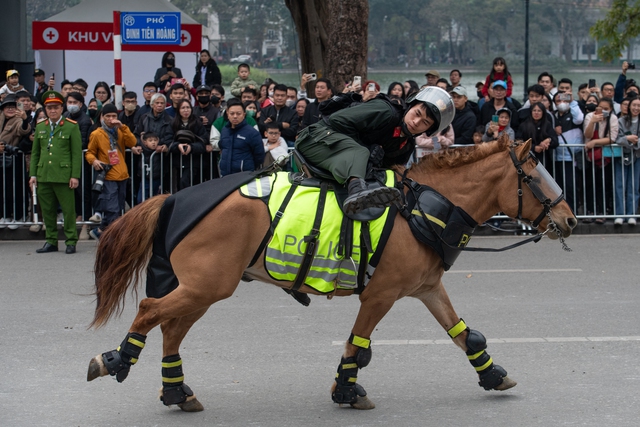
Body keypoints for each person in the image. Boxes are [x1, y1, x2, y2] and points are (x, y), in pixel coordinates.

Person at [295, 86, 455, 214]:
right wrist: (366, 149)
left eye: (425, 122)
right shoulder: (385, 111)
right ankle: (357, 193)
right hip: (315, 138)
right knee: (362, 153)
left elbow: (392, 171)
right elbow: (337, 120)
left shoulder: (407, 145)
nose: (416, 121)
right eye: (417, 113)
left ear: (427, 129)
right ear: (411, 105)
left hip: (340, 156)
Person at [29, 91, 82, 254]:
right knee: (48, 210)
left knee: (68, 210)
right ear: (45, 109)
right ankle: (51, 240)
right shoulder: (40, 126)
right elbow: (35, 152)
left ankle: (71, 240)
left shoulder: (71, 126)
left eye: (56, 107)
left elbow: (76, 153)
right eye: (49, 108)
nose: (53, 111)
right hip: (44, 174)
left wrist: (74, 175)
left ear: (61, 108)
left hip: (63, 175)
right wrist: (33, 174)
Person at [85, 103, 138, 240]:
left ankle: (100, 230)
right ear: (102, 117)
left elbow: (132, 142)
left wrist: (123, 127)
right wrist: (94, 161)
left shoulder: (120, 131)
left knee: (118, 208)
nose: (111, 119)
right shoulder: (96, 134)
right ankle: (113, 239)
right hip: (108, 175)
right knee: (112, 209)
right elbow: (89, 153)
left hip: (122, 174)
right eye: (107, 116)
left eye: (113, 116)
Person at [582, 97, 619, 224]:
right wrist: (593, 121)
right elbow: (587, 135)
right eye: (600, 108)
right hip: (590, 156)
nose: (603, 111)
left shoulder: (613, 118)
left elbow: (612, 138)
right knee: (589, 184)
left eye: (606, 109)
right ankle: (590, 211)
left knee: (603, 185)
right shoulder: (589, 116)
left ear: (611, 109)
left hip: (606, 157)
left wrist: (595, 142)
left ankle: (602, 212)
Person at [0, 94, 31, 228]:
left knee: (16, 189)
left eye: (13, 106)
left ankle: (19, 216)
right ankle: (4, 215)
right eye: (8, 106)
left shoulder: (18, 119)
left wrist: (25, 119)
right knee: (2, 189)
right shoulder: (0, 118)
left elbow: (23, 130)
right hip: (1, 159)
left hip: (14, 159)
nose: (10, 109)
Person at [553, 91, 584, 213]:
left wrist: (572, 102)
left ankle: (573, 212)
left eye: (564, 100)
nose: (561, 103)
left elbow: (580, 119)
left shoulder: (573, 113)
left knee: (571, 187)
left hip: (571, 158)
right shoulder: (553, 116)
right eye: (558, 101)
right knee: (558, 188)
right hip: (556, 158)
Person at [218, 98, 264, 176]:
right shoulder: (225, 130)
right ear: (227, 114)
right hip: (225, 175)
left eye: (238, 113)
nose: (235, 116)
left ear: (244, 114)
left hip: (244, 176)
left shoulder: (252, 133)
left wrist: (247, 167)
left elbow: (259, 156)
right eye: (232, 113)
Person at [169, 99, 208, 190]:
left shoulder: (198, 123)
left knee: (186, 183)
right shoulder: (172, 123)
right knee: (177, 187)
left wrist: (192, 147)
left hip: (193, 162)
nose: (186, 110)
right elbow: (167, 141)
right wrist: (178, 146)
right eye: (183, 108)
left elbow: (204, 141)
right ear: (178, 110)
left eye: (188, 107)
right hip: (177, 162)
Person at [613, 97, 640, 225]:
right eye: (634, 105)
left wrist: (633, 142)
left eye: (638, 106)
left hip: (637, 157)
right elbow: (617, 139)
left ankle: (632, 215)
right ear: (629, 106)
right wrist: (628, 138)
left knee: (633, 186)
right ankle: (620, 214)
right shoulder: (621, 121)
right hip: (622, 157)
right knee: (619, 185)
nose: (636, 108)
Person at [516, 102, 558, 168]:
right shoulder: (524, 125)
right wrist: (533, 147)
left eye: (539, 111)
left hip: (544, 160)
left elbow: (555, 141)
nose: (536, 113)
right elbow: (519, 141)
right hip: (527, 159)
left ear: (543, 112)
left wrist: (548, 141)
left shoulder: (547, 124)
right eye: (534, 110)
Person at [134, 132, 162, 203]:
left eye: (155, 140)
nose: (153, 143)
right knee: (141, 199)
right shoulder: (141, 150)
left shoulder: (159, 151)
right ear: (145, 142)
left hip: (156, 178)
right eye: (150, 140)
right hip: (145, 178)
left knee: (155, 198)